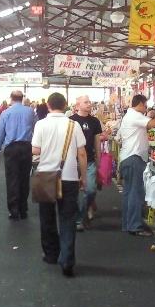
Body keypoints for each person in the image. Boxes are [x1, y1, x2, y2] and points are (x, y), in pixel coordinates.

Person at [32, 93, 87, 277]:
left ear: (48, 105)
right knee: (68, 219)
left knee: (46, 217)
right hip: (69, 177)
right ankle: (67, 260)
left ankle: (51, 254)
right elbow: (82, 154)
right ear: (65, 105)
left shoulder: (40, 124)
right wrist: (83, 176)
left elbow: (36, 150)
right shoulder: (74, 125)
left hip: (46, 175)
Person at [116, 94, 155, 235]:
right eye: (145, 106)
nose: (145, 109)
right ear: (139, 104)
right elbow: (153, 124)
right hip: (134, 158)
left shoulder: (130, 116)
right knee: (136, 193)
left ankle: (128, 224)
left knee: (129, 193)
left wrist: (150, 115)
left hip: (128, 158)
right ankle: (135, 226)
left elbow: (147, 123)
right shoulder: (134, 115)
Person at [0, 90, 36, 220]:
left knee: (12, 179)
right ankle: (23, 209)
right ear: (22, 98)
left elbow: (0, 133)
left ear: (11, 98)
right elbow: (36, 128)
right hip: (26, 147)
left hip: (11, 149)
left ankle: (14, 210)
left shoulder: (6, 113)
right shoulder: (30, 112)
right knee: (24, 179)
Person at [70, 95, 102, 230]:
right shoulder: (70, 121)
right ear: (77, 105)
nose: (89, 104)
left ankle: (83, 214)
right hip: (72, 161)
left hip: (89, 161)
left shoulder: (95, 121)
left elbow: (97, 142)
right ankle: (79, 219)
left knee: (90, 190)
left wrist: (98, 160)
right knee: (72, 193)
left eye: (90, 102)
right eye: (86, 102)